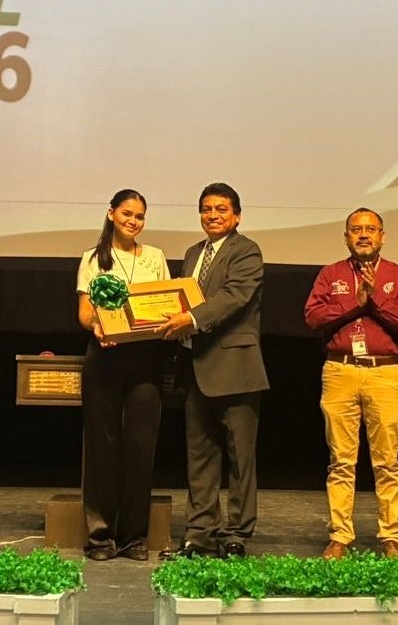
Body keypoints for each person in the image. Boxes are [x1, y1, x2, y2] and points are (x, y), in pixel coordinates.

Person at [157, 183, 269, 559]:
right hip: (196, 368)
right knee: (200, 457)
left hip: (236, 367)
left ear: (237, 216)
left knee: (240, 457)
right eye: (206, 209)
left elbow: (233, 297)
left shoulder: (247, 251)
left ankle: (236, 533)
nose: (213, 215)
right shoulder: (193, 253)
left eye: (221, 209)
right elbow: (183, 300)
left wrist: (189, 319)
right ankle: (199, 534)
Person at [303, 208, 398, 559]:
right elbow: (312, 316)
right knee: (341, 460)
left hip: (384, 371)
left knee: (387, 461)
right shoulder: (331, 274)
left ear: (383, 236)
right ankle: (340, 535)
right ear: (346, 237)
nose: (364, 234)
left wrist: (375, 300)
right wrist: (356, 303)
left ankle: (391, 536)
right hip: (340, 370)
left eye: (371, 229)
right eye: (356, 229)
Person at [75, 189, 171, 561]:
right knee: (102, 444)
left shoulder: (155, 257)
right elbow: (85, 313)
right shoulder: (92, 258)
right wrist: (99, 326)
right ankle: (100, 536)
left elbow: (165, 302)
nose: (133, 221)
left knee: (140, 447)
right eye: (127, 214)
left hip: (145, 359)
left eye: (140, 216)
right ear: (111, 213)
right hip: (104, 356)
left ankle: (133, 537)